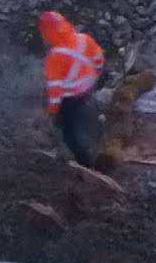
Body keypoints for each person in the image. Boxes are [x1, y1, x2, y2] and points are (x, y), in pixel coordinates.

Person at [37, 9, 110, 167]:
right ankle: (95, 129)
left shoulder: (55, 56)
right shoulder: (83, 39)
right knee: (83, 112)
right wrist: (96, 73)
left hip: (70, 96)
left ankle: (85, 161)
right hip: (88, 87)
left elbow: (55, 89)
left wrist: (53, 110)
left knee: (68, 130)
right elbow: (98, 58)